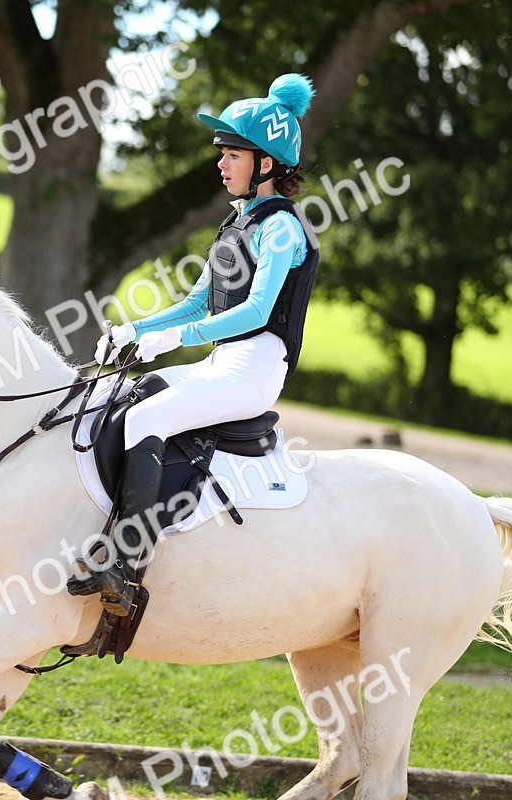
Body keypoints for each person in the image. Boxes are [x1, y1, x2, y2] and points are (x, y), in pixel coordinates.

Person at [69, 74, 321, 616]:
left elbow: (254, 312)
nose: (221, 164)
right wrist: (135, 330)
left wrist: (171, 340)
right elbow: (196, 303)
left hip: (254, 369)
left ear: (266, 164)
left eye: (232, 154)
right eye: (223, 154)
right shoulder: (237, 224)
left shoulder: (282, 230)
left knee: (144, 421)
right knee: (130, 397)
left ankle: (127, 564)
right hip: (222, 361)